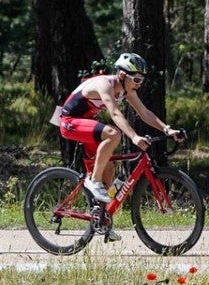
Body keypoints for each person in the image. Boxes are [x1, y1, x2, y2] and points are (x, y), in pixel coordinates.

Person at [49, 53, 184, 239]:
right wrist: (134, 136)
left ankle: (102, 220)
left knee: (109, 168)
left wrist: (167, 129)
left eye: (142, 79)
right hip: (70, 122)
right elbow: (114, 113)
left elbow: (145, 113)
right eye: (136, 79)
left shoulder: (127, 91)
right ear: (122, 75)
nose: (139, 83)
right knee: (113, 133)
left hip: (86, 122)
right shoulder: (104, 84)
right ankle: (94, 181)